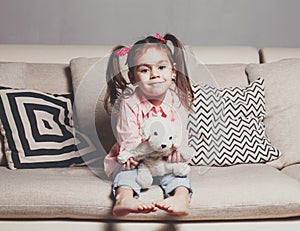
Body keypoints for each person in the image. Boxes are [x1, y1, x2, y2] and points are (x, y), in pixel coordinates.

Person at [103, 33, 194, 217]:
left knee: (179, 175)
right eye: (145, 70)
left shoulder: (177, 101)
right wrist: (131, 155)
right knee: (127, 173)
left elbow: (179, 131)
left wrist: (177, 150)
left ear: (173, 72)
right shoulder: (129, 102)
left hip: (164, 158)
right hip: (138, 158)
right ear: (132, 76)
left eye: (161, 67)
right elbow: (127, 134)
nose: (155, 74)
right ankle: (124, 197)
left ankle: (181, 198)